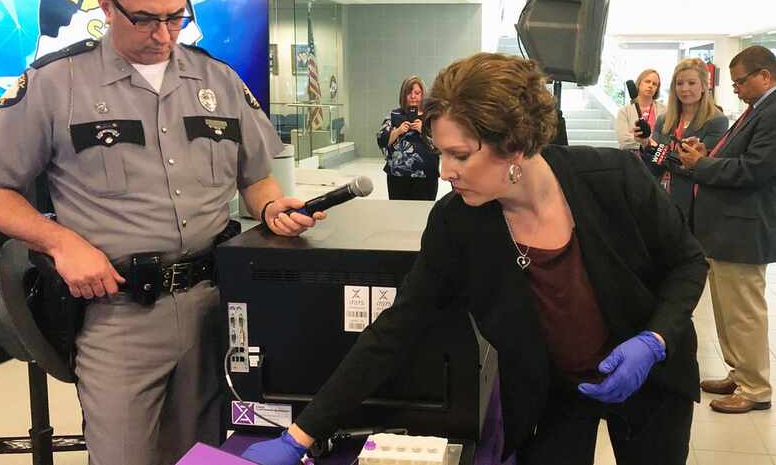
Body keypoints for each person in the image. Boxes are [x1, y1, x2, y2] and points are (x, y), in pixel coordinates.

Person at [0, 0, 323, 465]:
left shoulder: (217, 79)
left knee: (208, 454)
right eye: (146, 18)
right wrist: (60, 242)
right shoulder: (56, 83)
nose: (164, 35)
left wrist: (271, 207)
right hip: (121, 314)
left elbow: (258, 177)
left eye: (177, 17)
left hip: (214, 307)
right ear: (106, 5)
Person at [242, 53, 707, 465]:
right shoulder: (458, 223)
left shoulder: (612, 179)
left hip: (650, 379)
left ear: (516, 145)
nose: (444, 171)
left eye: (459, 155)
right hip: (553, 395)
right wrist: (300, 436)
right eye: (441, 152)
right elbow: (396, 330)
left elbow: (688, 262)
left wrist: (655, 340)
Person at [679, 45, 776, 414]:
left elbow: (755, 169)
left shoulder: (773, 111)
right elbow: (740, 158)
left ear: (764, 75)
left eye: (740, 81)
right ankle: (740, 372)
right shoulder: (758, 109)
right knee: (727, 309)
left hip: (744, 229)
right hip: (728, 229)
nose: (734, 87)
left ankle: (755, 388)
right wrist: (709, 153)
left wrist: (702, 165)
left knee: (744, 311)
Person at [640, 58, 727, 225]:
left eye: (691, 83)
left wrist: (661, 152)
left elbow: (700, 168)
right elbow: (654, 166)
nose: (685, 88)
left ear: (703, 86)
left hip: (695, 205)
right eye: (679, 83)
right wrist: (645, 144)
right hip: (662, 200)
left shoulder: (717, 121)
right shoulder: (664, 120)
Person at [376, 75, 440, 200]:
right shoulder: (394, 115)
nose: (413, 96)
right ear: (403, 95)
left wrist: (423, 130)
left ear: (423, 95)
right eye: (409, 93)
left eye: (417, 93)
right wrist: (398, 131)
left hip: (426, 176)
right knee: (399, 213)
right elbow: (382, 140)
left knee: (422, 213)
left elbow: (442, 143)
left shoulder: (432, 116)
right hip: (398, 176)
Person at [615, 69, 666, 151]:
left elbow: (665, 139)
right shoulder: (624, 111)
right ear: (639, 83)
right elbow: (624, 140)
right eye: (647, 81)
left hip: (655, 160)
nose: (650, 86)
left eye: (654, 84)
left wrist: (638, 138)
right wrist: (649, 142)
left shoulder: (664, 110)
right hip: (631, 159)